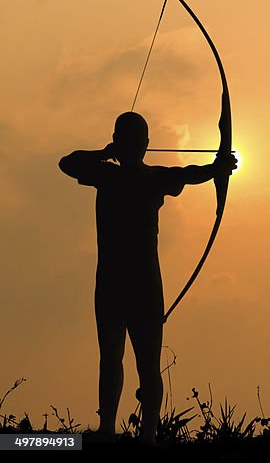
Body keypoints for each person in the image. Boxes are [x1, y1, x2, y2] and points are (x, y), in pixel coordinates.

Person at [59, 111, 236, 444]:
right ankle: (128, 432)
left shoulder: (112, 176)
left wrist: (217, 167)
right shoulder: (129, 177)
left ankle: (138, 434)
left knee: (128, 360)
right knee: (125, 359)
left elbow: (189, 173)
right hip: (131, 284)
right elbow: (66, 163)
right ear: (144, 145)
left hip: (124, 283)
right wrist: (218, 167)